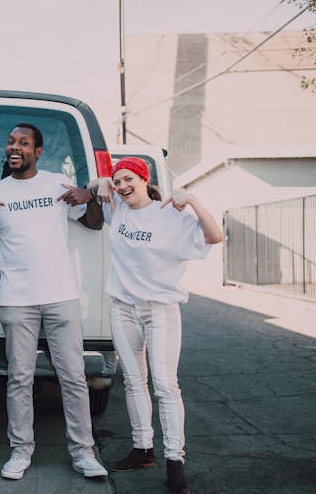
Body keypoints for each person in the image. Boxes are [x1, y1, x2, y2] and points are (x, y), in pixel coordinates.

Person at [0, 123, 109, 481]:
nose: (15, 147)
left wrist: (88, 197)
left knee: (74, 378)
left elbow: (94, 225)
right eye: (11, 142)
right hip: (17, 300)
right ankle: (20, 452)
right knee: (19, 378)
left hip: (61, 296)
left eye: (23, 143)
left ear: (38, 151)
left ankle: (83, 453)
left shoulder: (53, 184)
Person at [89, 157, 223, 494]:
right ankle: (142, 449)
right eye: (118, 181)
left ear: (144, 180)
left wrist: (192, 200)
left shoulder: (170, 215)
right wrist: (102, 183)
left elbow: (216, 236)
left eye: (127, 179)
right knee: (134, 382)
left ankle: (175, 463)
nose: (121, 187)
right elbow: (93, 186)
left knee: (165, 386)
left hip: (160, 310)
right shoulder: (116, 207)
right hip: (122, 308)